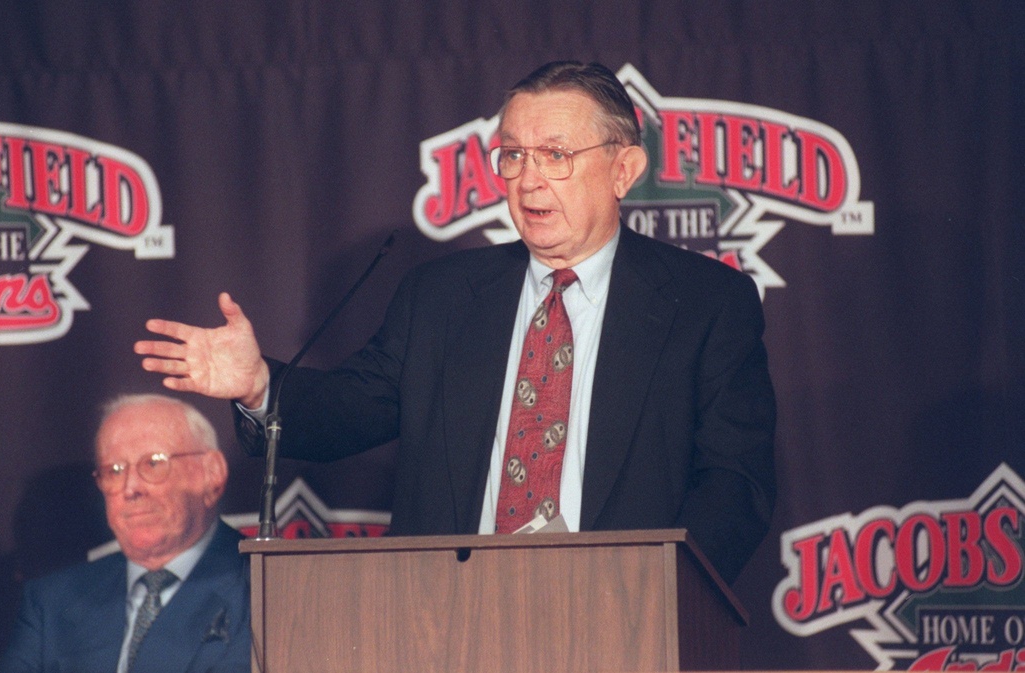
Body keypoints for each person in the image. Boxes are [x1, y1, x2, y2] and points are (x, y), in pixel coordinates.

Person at [134, 61, 776, 585]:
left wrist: (664, 591)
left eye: (555, 154)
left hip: (625, 617)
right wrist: (259, 387)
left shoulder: (705, 303)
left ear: (624, 170)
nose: (528, 180)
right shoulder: (441, 297)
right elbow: (347, 412)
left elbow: (735, 482)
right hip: (445, 618)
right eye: (514, 156)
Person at [0, 394, 251, 673]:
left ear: (211, 473)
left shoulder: (265, 588)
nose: (131, 488)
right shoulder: (51, 603)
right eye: (114, 470)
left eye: (153, 463)